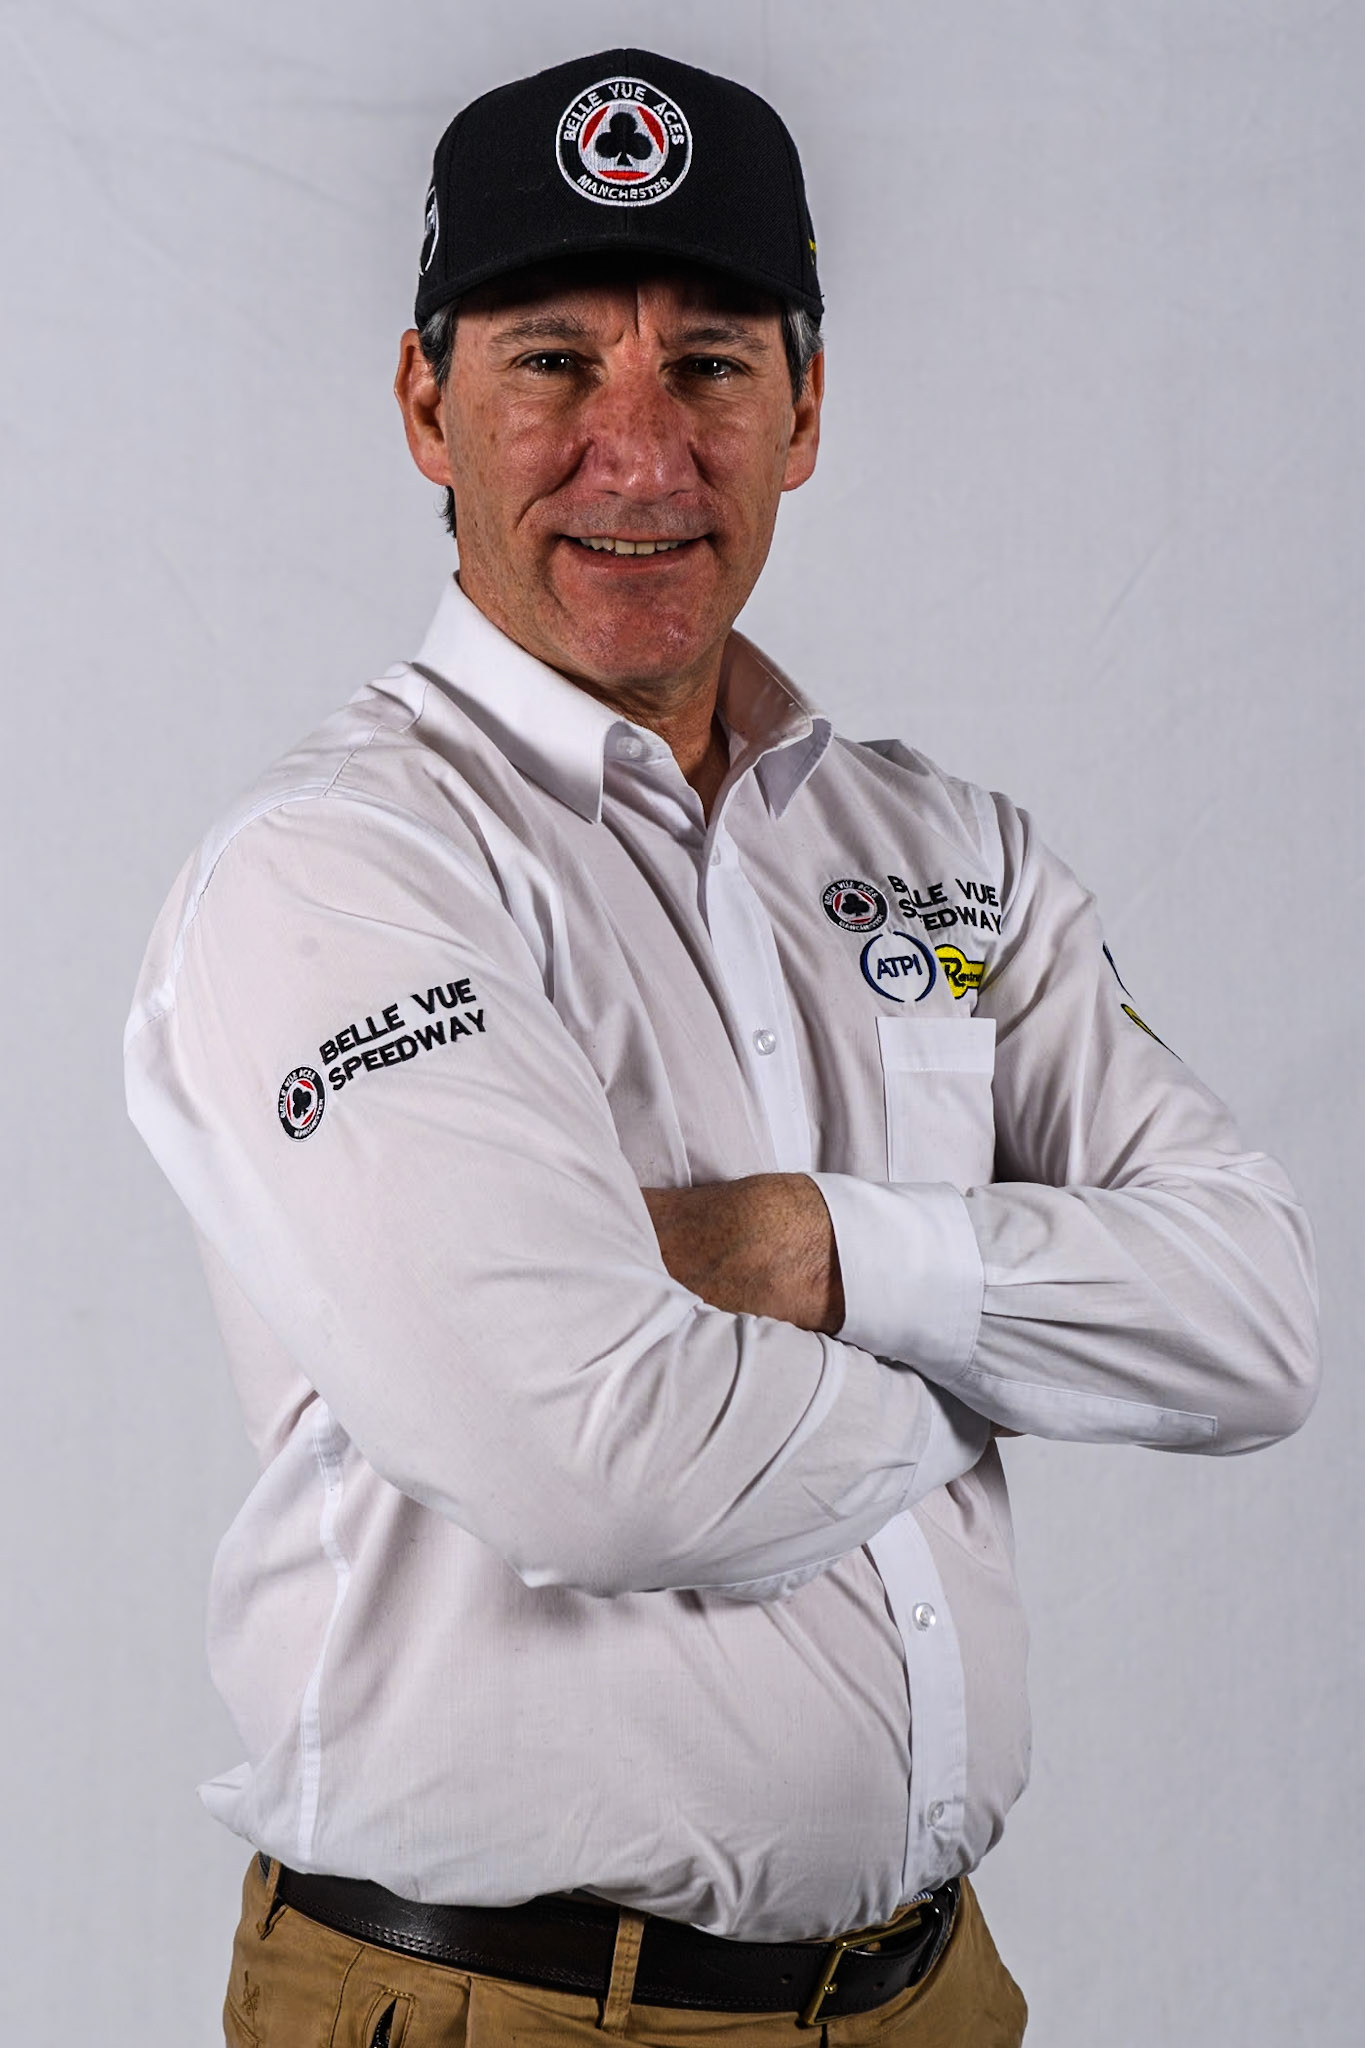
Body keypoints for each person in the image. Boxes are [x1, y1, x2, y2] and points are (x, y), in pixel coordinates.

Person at [124, 45, 1320, 2048]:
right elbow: (598, 1464)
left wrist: (818, 1251)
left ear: (807, 408)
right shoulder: (338, 877)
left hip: (932, 1994)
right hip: (504, 2010)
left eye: (707, 364)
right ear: (424, 403)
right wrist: (1007, 1351)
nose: (637, 452)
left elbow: (1261, 1318)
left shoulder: (948, 856)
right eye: (549, 363)